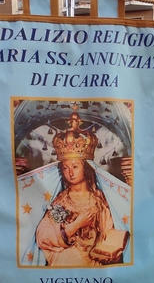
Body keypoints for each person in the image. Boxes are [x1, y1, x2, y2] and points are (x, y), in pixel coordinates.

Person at [35, 111, 129, 267]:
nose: (70, 172)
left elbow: (108, 233)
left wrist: (111, 248)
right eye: (65, 168)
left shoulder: (99, 200)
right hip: (63, 263)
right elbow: (42, 235)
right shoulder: (61, 200)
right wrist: (75, 225)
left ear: (85, 168)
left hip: (92, 264)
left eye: (75, 166)